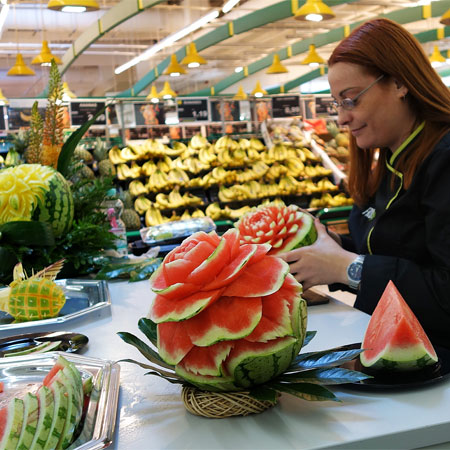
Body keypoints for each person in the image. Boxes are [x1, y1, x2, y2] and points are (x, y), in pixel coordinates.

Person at [278, 18, 450, 349]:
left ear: (400, 84)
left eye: (351, 99)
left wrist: (348, 268)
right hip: (388, 350)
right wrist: (329, 247)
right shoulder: (389, 158)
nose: (341, 118)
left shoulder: (444, 160)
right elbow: (393, 250)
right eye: (337, 103)